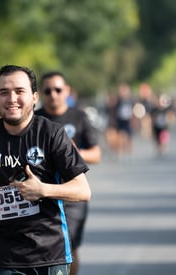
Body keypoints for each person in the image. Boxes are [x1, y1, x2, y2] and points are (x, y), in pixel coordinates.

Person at [0, 64, 92, 274]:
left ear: (34, 97)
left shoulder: (51, 133)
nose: (11, 99)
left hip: (49, 253)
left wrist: (43, 190)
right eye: (4, 92)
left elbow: (83, 190)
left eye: (19, 91)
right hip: (4, 256)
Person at [35, 71, 102, 275]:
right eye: (48, 90)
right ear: (41, 94)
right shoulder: (35, 119)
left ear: (67, 91)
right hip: (41, 192)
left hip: (71, 194)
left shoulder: (78, 117)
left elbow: (96, 153)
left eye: (58, 89)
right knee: (42, 248)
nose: (53, 94)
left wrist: (70, 152)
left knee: (68, 246)